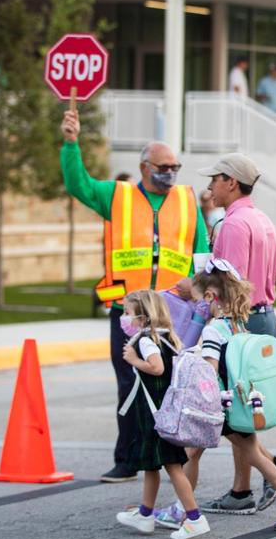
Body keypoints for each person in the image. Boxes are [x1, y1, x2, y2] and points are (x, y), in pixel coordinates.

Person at [61, 109, 208, 484]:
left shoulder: (188, 201)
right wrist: (71, 144)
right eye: (163, 166)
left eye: (175, 166)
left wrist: (202, 297)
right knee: (129, 385)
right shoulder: (117, 196)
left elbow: (201, 253)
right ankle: (128, 458)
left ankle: (168, 455)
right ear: (144, 167)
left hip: (174, 315)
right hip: (129, 313)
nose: (170, 172)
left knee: (173, 385)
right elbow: (78, 184)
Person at [168, 260, 276, 532]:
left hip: (221, 407)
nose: (199, 306)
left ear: (211, 297)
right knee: (193, 453)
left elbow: (210, 370)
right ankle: (180, 510)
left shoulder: (213, 329)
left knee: (248, 455)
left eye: (200, 300)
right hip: (236, 402)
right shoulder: (236, 323)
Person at [198, 153, 276, 514]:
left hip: (241, 321)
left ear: (232, 182)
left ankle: (272, 471)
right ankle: (241, 492)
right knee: (238, 409)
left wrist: (195, 283)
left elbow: (231, 284)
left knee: (230, 411)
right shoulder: (262, 219)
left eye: (215, 179)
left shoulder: (234, 225)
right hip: (265, 319)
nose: (209, 187)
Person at [113, 289, 209, 539]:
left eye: (128, 313)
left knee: (172, 467)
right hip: (161, 414)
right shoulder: (167, 338)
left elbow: (157, 368)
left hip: (157, 416)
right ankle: (145, 515)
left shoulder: (146, 340)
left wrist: (134, 360)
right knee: (152, 466)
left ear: (144, 318)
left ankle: (195, 518)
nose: (124, 318)